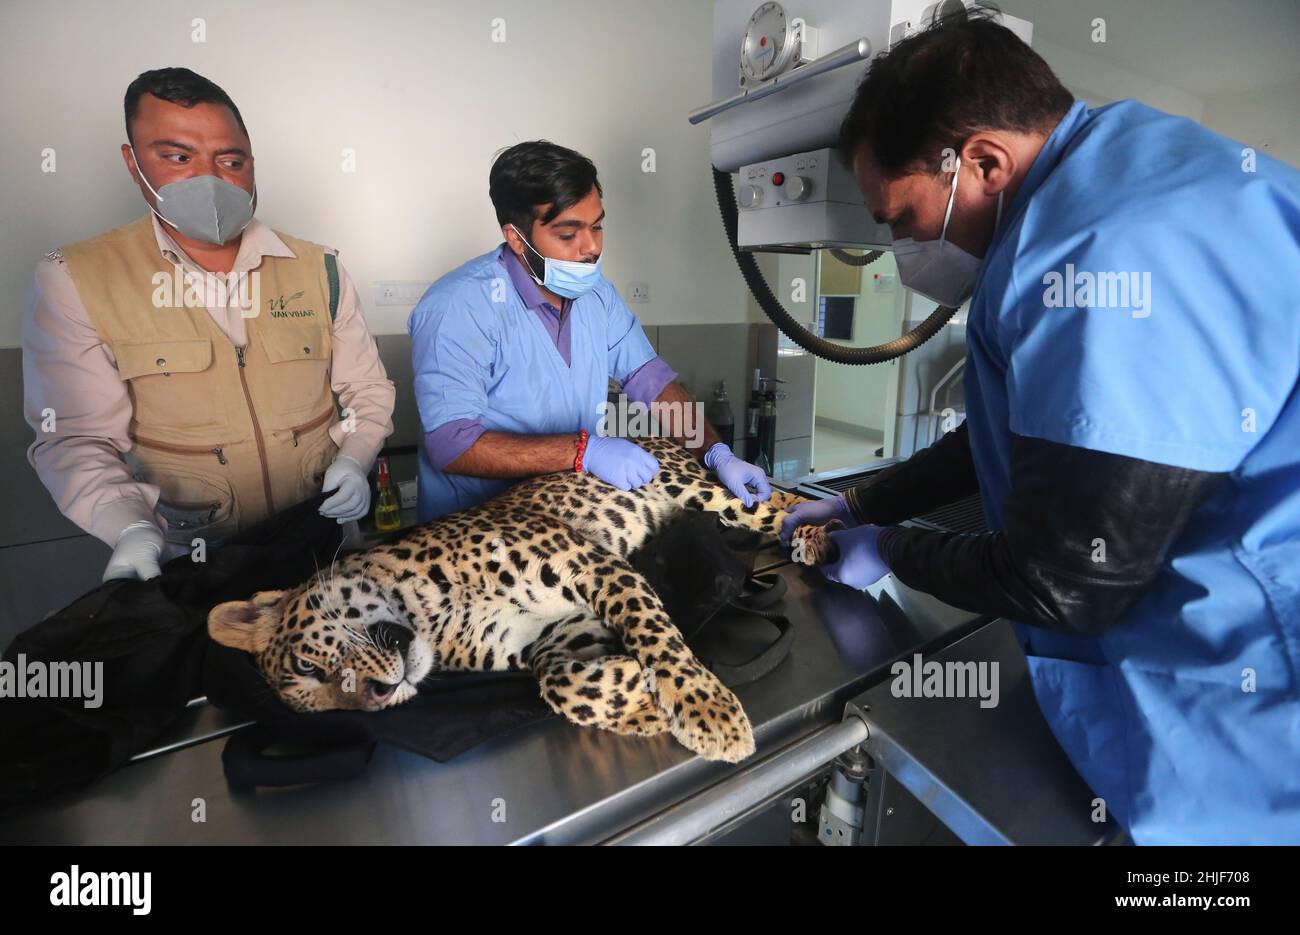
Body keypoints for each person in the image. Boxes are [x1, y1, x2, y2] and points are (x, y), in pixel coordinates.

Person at [782, 13, 1300, 844]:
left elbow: (1065, 582)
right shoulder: (1119, 178)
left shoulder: (1102, 251)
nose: (901, 248)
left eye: (901, 219)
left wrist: (894, 549)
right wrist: (862, 501)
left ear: (982, 161)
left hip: (1249, 718)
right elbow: (1014, 433)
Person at [23, 68, 395, 581]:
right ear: (133, 164)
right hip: (190, 554)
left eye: (230, 160)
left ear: (251, 163)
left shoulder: (318, 267)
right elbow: (75, 438)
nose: (211, 179)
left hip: (319, 536)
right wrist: (128, 527)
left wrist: (355, 457)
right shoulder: (78, 278)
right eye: (178, 157)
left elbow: (366, 390)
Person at [407, 140, 768, 521]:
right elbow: (451, 445)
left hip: (566, 520)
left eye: (597, 227)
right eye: (568, 234)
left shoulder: (598, 297)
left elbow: (652, 382)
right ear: (517, 238)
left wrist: (714, 452)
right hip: (472, 535)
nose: (591, 247)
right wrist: (585, 452)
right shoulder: (458, 307)